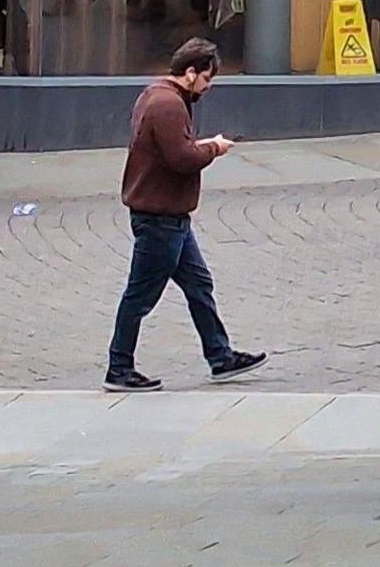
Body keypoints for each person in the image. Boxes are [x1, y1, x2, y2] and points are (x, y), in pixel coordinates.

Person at [106, 38, 267, 392]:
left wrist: (199, 146)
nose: (208, 87)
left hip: (171, 217)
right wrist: (214, 148)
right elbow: (181, 159)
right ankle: (118, 368)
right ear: (190, 73)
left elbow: (173, 150)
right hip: (160, 218)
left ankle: (220, 356)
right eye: (207, 79)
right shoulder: (168, 105)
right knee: (140, 295)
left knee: (198, 284)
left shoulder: (159, 95)